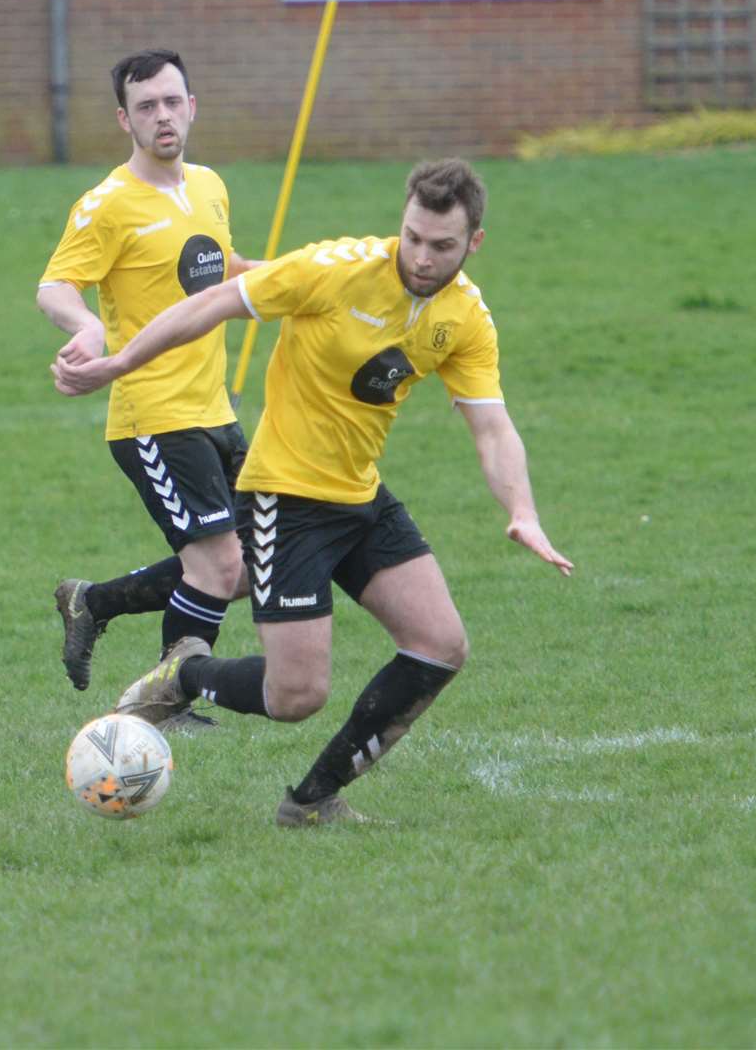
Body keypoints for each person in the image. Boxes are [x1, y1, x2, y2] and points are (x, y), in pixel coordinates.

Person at [52, 158, 572, 825]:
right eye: (412, 236)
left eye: (441, 245)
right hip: (284, 498)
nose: (420, 255)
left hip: (361, 496)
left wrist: (523, 511)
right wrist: (121, 363)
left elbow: (493, 430)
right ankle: (184, 673)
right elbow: (212, 303)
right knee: (296, 694)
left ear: (473, 243)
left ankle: (311, 802)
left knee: (441, 645)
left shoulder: (465, 317)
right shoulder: (334, 269)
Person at [37, 48, 262, 711]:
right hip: (153, 418)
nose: (162, 116)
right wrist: (86, 327)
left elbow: (224, 267)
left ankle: (93, 601)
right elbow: (55, 285)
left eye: (172, 102)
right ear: (124, 120)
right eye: (146, 107)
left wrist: (311, 278)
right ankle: (169, 701)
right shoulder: (108, 204)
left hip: (216, 407)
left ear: (191, 106)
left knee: (249, 568)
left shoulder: (209, 186)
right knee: (218, 566)